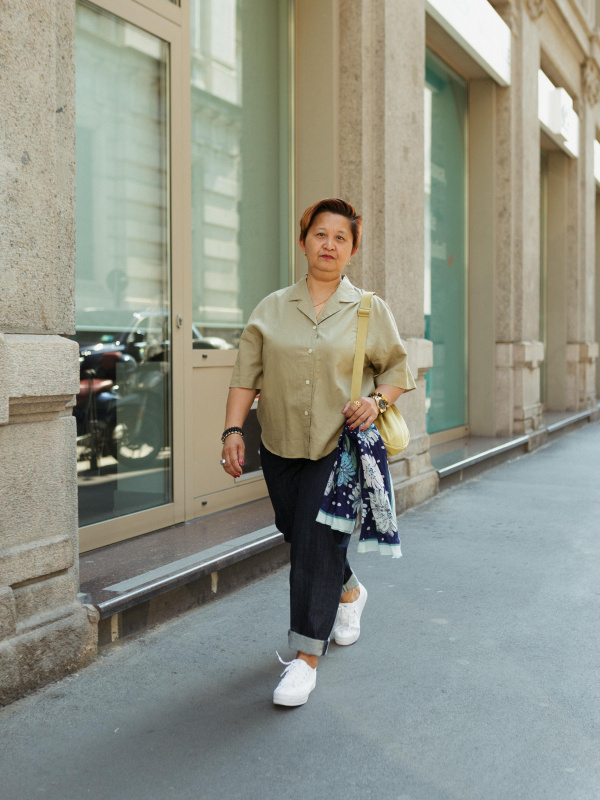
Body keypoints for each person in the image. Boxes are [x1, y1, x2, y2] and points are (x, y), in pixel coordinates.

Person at [220, 198, 416, 707]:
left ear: (352, 249)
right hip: (280, 443)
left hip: (338, 447)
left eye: (341, 238)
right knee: (297, 529)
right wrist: (232, 431)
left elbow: (397, 372)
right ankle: (348, 590)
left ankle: (305, 657)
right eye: (320, 235)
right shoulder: (271, 308)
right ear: (304, 241)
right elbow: (246, 377)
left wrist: (375, 403)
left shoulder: (369, 309)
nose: (329, 245)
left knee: (312, 539)